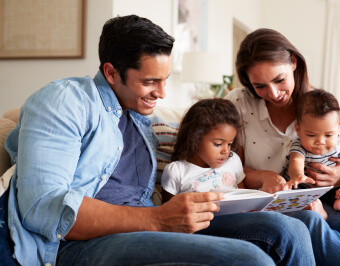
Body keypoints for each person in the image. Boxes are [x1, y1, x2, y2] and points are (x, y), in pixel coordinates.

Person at [2, 15, 316, 265]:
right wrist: (157, 218)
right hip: (78, 246)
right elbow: (43, 208)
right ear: (111, 73)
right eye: (150, 81)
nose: (162, 93)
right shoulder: (64, 100)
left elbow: (200, 141)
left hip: (148, 224)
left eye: (165, 80)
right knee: (249, 260)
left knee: (286, 229)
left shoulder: (141, 119)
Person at [225, 28, 340, 266]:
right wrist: (263, 176)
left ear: (294, 62)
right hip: (268, 203)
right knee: (310, 221)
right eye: (260, 86)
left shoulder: (321, 106)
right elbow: (229, 166)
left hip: (317, 194)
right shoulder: (239, 103)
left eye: (279, 80)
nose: (274, 93)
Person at [286, 89, 340, 220]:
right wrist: (298, 175)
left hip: (332, 188)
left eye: (329, 135)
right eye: (311, 135)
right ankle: (316, 209)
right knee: (291, 193)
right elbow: (296, 161)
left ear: (338, 128)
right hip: (306, 188)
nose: (320, 141)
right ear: (298, 129)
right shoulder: (299, 145)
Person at [162, 98, 245, 203]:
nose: (226, 151)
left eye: (230, 144)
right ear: (194, 138)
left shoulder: (233, 161)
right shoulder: (176, 171)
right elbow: (168, 211)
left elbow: (244, 196)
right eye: (218, 144)